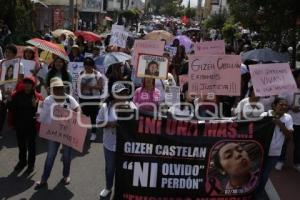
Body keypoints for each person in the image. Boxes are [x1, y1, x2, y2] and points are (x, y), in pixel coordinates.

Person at [35, 77, 80, 189]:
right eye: (55, 88)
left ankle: (66, 175)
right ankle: (44, 179)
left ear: (63, 88)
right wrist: (37, 114)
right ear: (51, 90)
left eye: (59, 88)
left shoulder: (69, 99)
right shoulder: (47, 100)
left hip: (67, 134)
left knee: (66, 156)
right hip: (53, 133)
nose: (58, 90)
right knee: (50, 156)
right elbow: (41, 115)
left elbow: (78, 109)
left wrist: (76, 114)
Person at [97, 83, 136, 198]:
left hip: (125, 146)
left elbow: (138, 122)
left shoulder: (131, 106)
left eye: (124, 93)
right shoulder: (105, 107)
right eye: (119, 93)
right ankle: (108, 188)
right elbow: (99, 122)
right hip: (109, 145)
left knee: (125, 169)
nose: (122, 96)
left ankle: (124, 190)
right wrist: (110, 124)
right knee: (110, 168)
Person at [257, 97, 293, 194]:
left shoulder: (288, 118)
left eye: (286, 105)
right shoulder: (265, 115)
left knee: (265, 174)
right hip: (261, 150)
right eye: (281, 104)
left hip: (275, 152)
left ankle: (259, 192)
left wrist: (279, 123)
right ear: (274, 105)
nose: (284, 107)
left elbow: (290, 136)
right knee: (257, 173)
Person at [7, 77, 43, 174]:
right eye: (25, 83)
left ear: (33, 85)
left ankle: (31, 165)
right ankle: (22, 162)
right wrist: (9, 101)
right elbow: (12, 109)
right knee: (21, 145)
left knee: (31, 146)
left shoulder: (38, 97)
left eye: (29, 83)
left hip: (31, 126)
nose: (27, 85)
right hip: (19, 125)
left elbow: (41, 113)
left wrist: (35, 106)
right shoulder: (17, 95)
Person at [275, 72, 300, 172]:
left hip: (299, 122)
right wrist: (290, 107)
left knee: (298, 144)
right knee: (284, 142)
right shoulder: (287, 88)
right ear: (296, 78)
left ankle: (297, 162)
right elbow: (279, 101)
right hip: (287, 119)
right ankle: (280, 160)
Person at [78, 57, 104, 141]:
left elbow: (100, 87)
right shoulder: (81, 73)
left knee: (93, 116)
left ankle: (93, 133)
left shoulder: (98, 74)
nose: (87, 68)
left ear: (93, 66)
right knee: (83, 116)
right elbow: (78, 85)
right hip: (83, 98)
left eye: (89, 66)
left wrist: (90, 86)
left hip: (94, 99)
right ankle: (82, 132)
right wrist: (80, 87)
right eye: (86, 66)